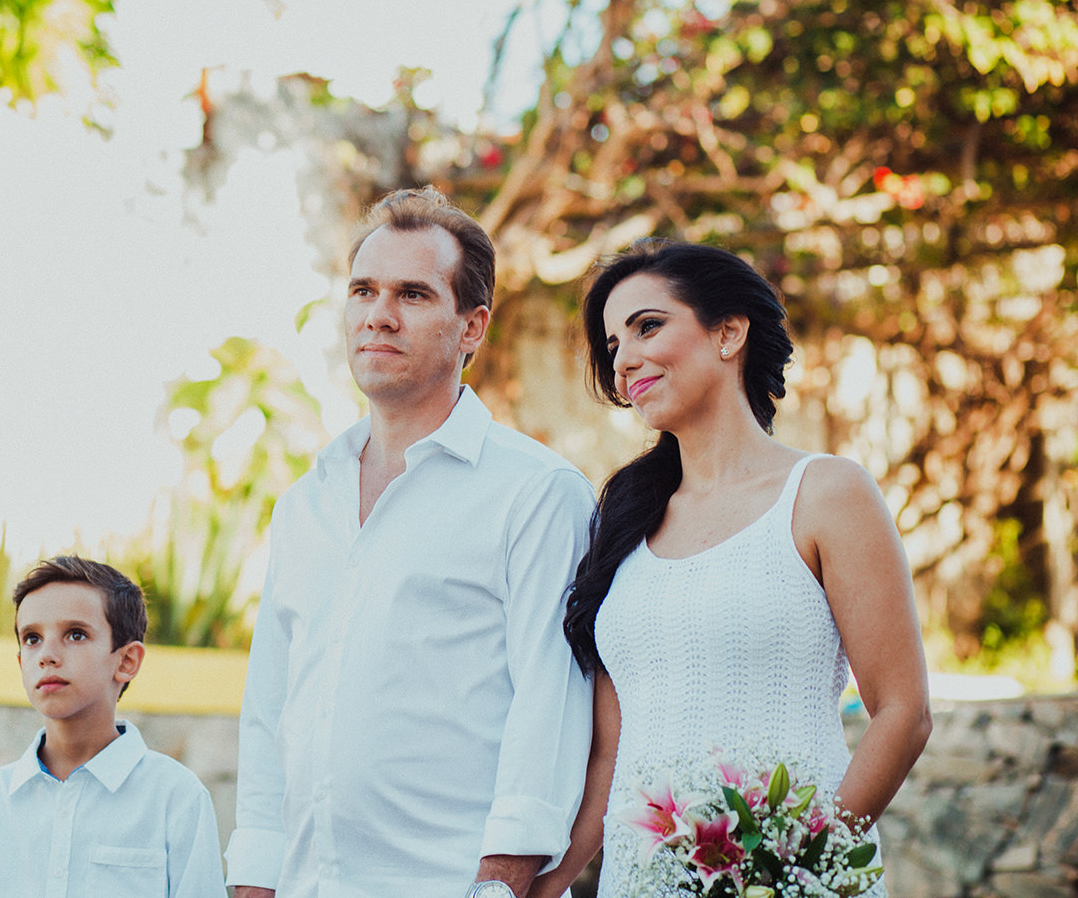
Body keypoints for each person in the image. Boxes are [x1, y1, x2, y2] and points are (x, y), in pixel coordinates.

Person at [533, 239, 933, 898]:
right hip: (640, 882)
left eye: (647, 326)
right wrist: (541, 889)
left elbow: (902, 712)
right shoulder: (622, 523)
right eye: (612, 344)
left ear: (728, 333)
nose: (625, 358)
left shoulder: (827, 493)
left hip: (794, 880)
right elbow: (611, 753)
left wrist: (795, 870)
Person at [226, 187, 595, 898]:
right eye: (363, 290)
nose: (378, 315)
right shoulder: (306, 504)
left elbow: (549, 702)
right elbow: (271, 711)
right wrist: (253, 881)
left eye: (413, 295)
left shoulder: (536, 491)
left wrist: (502, 886)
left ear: (472, 327)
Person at [0, 556, 225, 898]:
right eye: (32, 638)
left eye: (75, 634)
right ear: (21, 663)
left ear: (126, 661)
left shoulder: (177, 798)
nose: (47, 654)